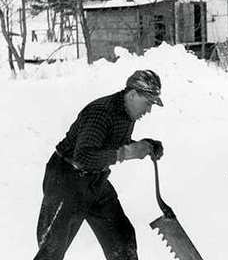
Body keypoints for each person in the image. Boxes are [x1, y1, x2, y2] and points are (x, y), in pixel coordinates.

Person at [34, 70, 165, 260]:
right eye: (147, 103)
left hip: (95, 181)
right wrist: (125, 153)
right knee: (52, 249)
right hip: (66, 179)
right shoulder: (101, 112)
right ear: (133, 94)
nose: (149, 110)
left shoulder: (127, 114)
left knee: (122, 238)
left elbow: (111, 144)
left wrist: (147, 145)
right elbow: (84, 156)